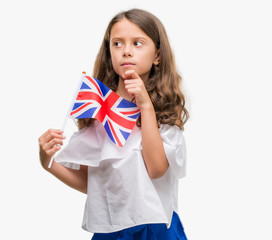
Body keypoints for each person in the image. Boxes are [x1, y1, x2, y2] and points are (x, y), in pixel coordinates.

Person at [38, 8, 189, 240]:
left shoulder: (165, 114)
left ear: (157, 55)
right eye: (117, 44)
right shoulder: (100, 114)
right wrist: (47, 162)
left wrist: (146, 107)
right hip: (112, 230)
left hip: (156, 229)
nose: (126, 51)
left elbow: (157, 169)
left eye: (137, 43)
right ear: (110, 53)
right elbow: (93, 184)